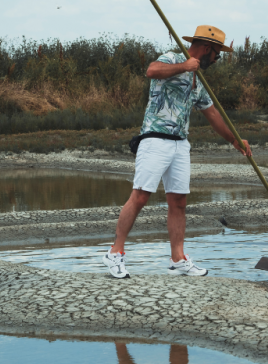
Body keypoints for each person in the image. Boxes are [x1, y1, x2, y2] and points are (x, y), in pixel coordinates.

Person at [103, 25, 252, 279]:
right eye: (217, 54)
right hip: (154, 139)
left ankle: (178, 259)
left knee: (179, 201)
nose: (217, 60)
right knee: (140, 196)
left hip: (180, 143)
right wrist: (184, 66)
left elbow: (212, 113)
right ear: (207, 49)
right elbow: (152, 70)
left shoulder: (199, 79)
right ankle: (115, 253)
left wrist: (234, 140)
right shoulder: (172, 59)